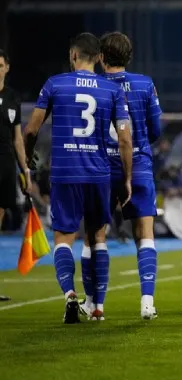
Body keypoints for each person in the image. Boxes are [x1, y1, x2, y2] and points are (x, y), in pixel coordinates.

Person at [23, 33, 133, 323]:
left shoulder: (55, 84)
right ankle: (97, 307)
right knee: (97, 237)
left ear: (73, 55)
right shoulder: (112, 90)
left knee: (63, 237)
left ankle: (70, 294)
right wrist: (127, 179)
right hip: (98, 174)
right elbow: (124, 139)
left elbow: (31, 129)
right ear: (99, 57)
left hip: (65, 172)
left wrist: (28, 158)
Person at [77, 32, 161, 321]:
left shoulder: (95, 86)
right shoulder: (145, 84)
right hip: (138, 165)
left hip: (100, 167)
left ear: (101, 57)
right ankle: (147, 302)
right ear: (129, 56)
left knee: (95, 234)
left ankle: (94, 304)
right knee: (144, 232)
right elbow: (156, 129)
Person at [0, 50, 31, 232]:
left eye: (0, 66)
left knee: (2, 207)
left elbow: (17, 137)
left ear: (7, 68)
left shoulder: (13, 98)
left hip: (7, 161)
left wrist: (25, 169)